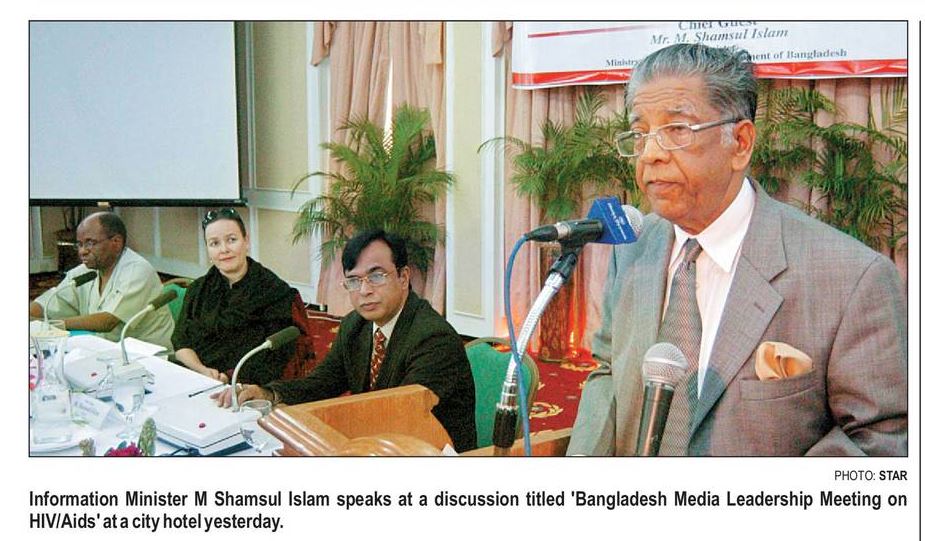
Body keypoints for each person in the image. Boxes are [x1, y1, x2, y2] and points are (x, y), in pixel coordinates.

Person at [569, 43, 907, 456]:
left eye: (677, 130)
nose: (651, 154)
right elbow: (608, 370)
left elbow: (880, 438)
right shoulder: (633, 247)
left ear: (741, 142)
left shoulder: (851, 277)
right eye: (641, 135)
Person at [216, 229, 477, 453]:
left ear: (403, 277)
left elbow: (399, 414)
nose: (365, 290)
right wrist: (269, 393)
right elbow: (323, 382)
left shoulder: (433, 339)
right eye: (354, 280)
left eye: (377, 276)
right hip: (379, 447)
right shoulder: (356, 325)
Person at [171, 208, 297, 385]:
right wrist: (202, 371)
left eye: (231, 240)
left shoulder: (274, 291)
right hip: (196, 376)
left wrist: (229, 378)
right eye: (214, 243)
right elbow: (181, 341)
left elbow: (275, 356)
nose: (224, 250)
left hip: (247, 385)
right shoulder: (198, 289)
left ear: (246, 241)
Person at [30, 211, 174, 349]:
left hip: (149, 354)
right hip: (105, 350)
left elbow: (107, 321)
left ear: (116, 242)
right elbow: (48, 303)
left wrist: (50, 324)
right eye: (79, 244)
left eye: (90, 243)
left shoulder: (137, 270)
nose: (82, 251)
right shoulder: (85, 272)